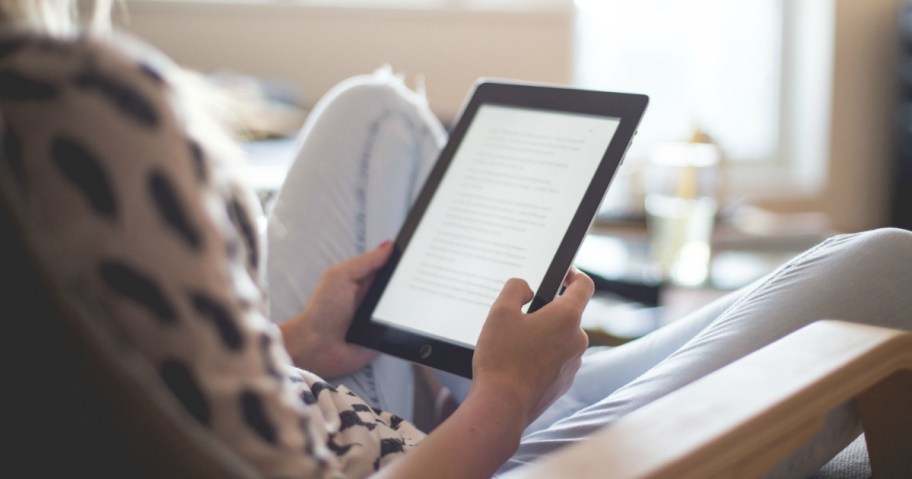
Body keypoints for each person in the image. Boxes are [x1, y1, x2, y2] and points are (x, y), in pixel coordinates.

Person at [1, 2, 909, 478]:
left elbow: (157, 385)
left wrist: (304, 343)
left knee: (376, 113)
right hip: (450, 460)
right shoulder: (74, 107)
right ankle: (500, 387)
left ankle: (471, 372)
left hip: (344, 406)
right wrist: (500, 405)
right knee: (889, 267)